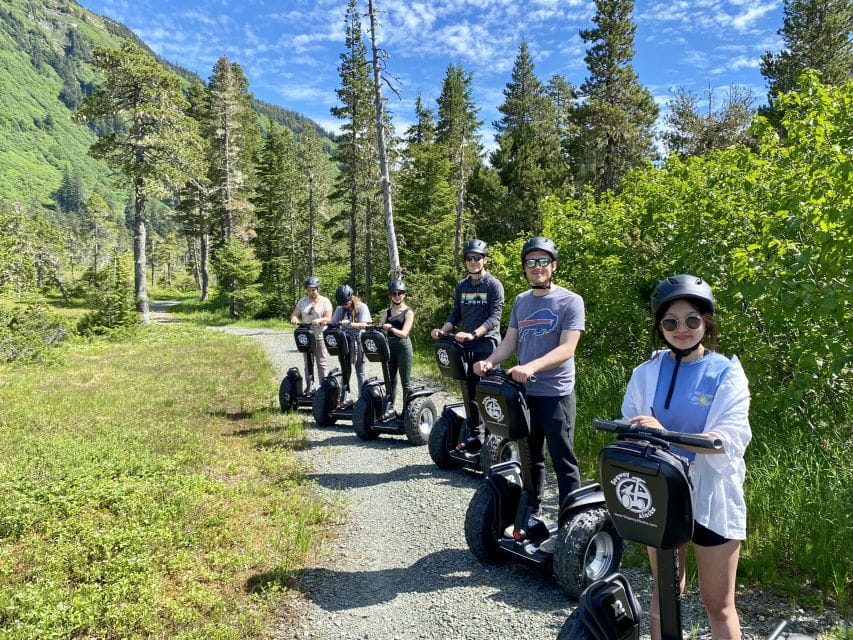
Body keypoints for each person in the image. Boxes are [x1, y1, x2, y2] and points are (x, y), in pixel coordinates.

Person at [620, 274, 751, 640]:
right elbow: (628, 419)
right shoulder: (646, 372)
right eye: (671, 322)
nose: (682, 329)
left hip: (710, 497)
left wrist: (662, 432)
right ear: (659, 327)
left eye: (692, 320)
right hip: (661, 493)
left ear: (706, 323)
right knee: (664, 593)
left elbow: (729, 438)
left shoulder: (727, 372)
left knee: (718, 603)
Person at [474, 237, 584, 527]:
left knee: (563, 460)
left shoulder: (571, 301)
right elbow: (510, 340)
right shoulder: (522, 301)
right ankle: (531, 514)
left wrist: (531, 366)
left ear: (553, 265)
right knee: (530, 455)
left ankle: (570, 522)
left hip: (555, 393)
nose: (537, 267)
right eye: (531, 262)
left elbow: (567, 348)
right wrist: (491, 361)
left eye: (543, 261)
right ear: (525, 268)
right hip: (524, 393)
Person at [431, 239, 504, 452]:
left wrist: (474, 334)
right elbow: (456, 313)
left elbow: (494, 318)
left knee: (488, 391)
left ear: (485, 260)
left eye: (477, 258)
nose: (473, 262)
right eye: (469, 258)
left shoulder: (493, 285)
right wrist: (443, 331)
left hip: (487, 345)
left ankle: (494, 437)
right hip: (466, 345)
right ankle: (475, 433)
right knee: (470, 391)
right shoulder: (462, 286)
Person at [322, 284, 371, 395]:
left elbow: (364, 325)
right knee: (345, 370)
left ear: (351, 298)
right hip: (345, 342)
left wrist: (350, 323)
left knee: (360, 371)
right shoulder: (340, 308)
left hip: (358, 342)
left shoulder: (362, 307)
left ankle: (362, 399)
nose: (344, 306)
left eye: (346, 303)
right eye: (342, 304)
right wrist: (325, 322)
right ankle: (345, 396)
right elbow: (334, 322)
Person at [289, 276, 332, 389]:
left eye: (313, 290)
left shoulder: (325, 301)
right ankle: (310, 388)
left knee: (321, 364)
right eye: (308, 290)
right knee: (308, 363)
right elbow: (294, 314)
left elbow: (328, 318)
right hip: (306, 336)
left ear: (318, 289)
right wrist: (294, 318)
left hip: (319, 335)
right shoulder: (302, 301)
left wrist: (320, 320)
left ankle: (324, 390)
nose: (311, 292)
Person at [379, 279, 414, 412]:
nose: (397, 296)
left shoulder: (408, 312)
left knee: (405, 382)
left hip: (403, 347)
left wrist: (391, 329)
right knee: (390, 380)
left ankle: (407, 411)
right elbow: (380, 326)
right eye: (394, 294)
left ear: (404, 295)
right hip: (389, 347)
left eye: (400, 293)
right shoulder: (387, 313)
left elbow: (405, 333)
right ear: (390, 296)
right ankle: (389, 409)